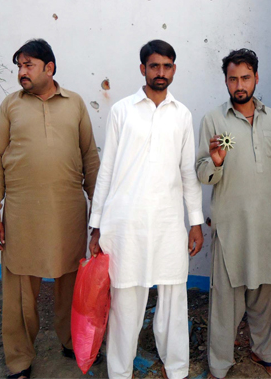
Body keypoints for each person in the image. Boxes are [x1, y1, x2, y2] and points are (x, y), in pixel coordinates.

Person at [0, 39, 101, 379]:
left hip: (68, 213)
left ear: (50, 67)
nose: (21, 72)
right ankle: (19, 359)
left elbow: (90, 159)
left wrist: (100, 215)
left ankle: (71, 341)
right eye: (19, 65)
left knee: (71, 281)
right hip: (22, 214)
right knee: (20, 288)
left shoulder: (75, 104)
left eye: (28, 65)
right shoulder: (11, 106)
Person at [88, 39, 204, 379]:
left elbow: (187, 173)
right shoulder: (122, 111)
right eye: (155, 66)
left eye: (167, 66)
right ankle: (120, 373)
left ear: (174, 70)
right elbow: (106, 169)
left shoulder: (182, 114)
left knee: (173, 299)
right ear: (143, 69)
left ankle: (178, 369)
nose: (161, 72)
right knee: (125, 304)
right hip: (126, 223)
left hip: (168, 223)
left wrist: (195, 221)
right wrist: (96, 224)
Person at [196, 49, 271, 379]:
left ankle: (265, 352)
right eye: (233, 78)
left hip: (266, 225)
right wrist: (217, 162)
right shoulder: (213, 120)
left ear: (255, 78)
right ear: (225, 81)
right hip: (230, 225)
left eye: (245, 77)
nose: (240, 84)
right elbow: (201, 172)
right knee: (226, 301)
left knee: (266, 294)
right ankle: (219, 365)